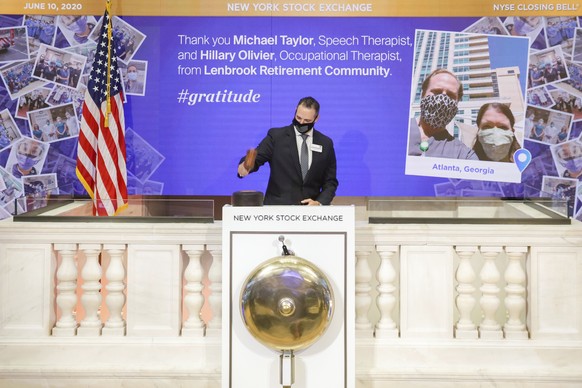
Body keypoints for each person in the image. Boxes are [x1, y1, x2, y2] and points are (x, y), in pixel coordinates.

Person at [237, 96, 338, 205]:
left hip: (310, 213)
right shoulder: (276, 137)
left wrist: (319, 203)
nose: (301, 123)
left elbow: (330, 182)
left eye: (307, 120)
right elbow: (256, 160)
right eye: (298, 118)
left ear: (316, 118)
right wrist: (244, 168)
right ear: (295, 111)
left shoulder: (325, 143)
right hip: (277, 210)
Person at [408, 68, 478, 160]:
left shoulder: (463, 154)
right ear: (423, 94)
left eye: (450, 95)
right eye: (436, 92)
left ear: (457, 103)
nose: (443, 98)